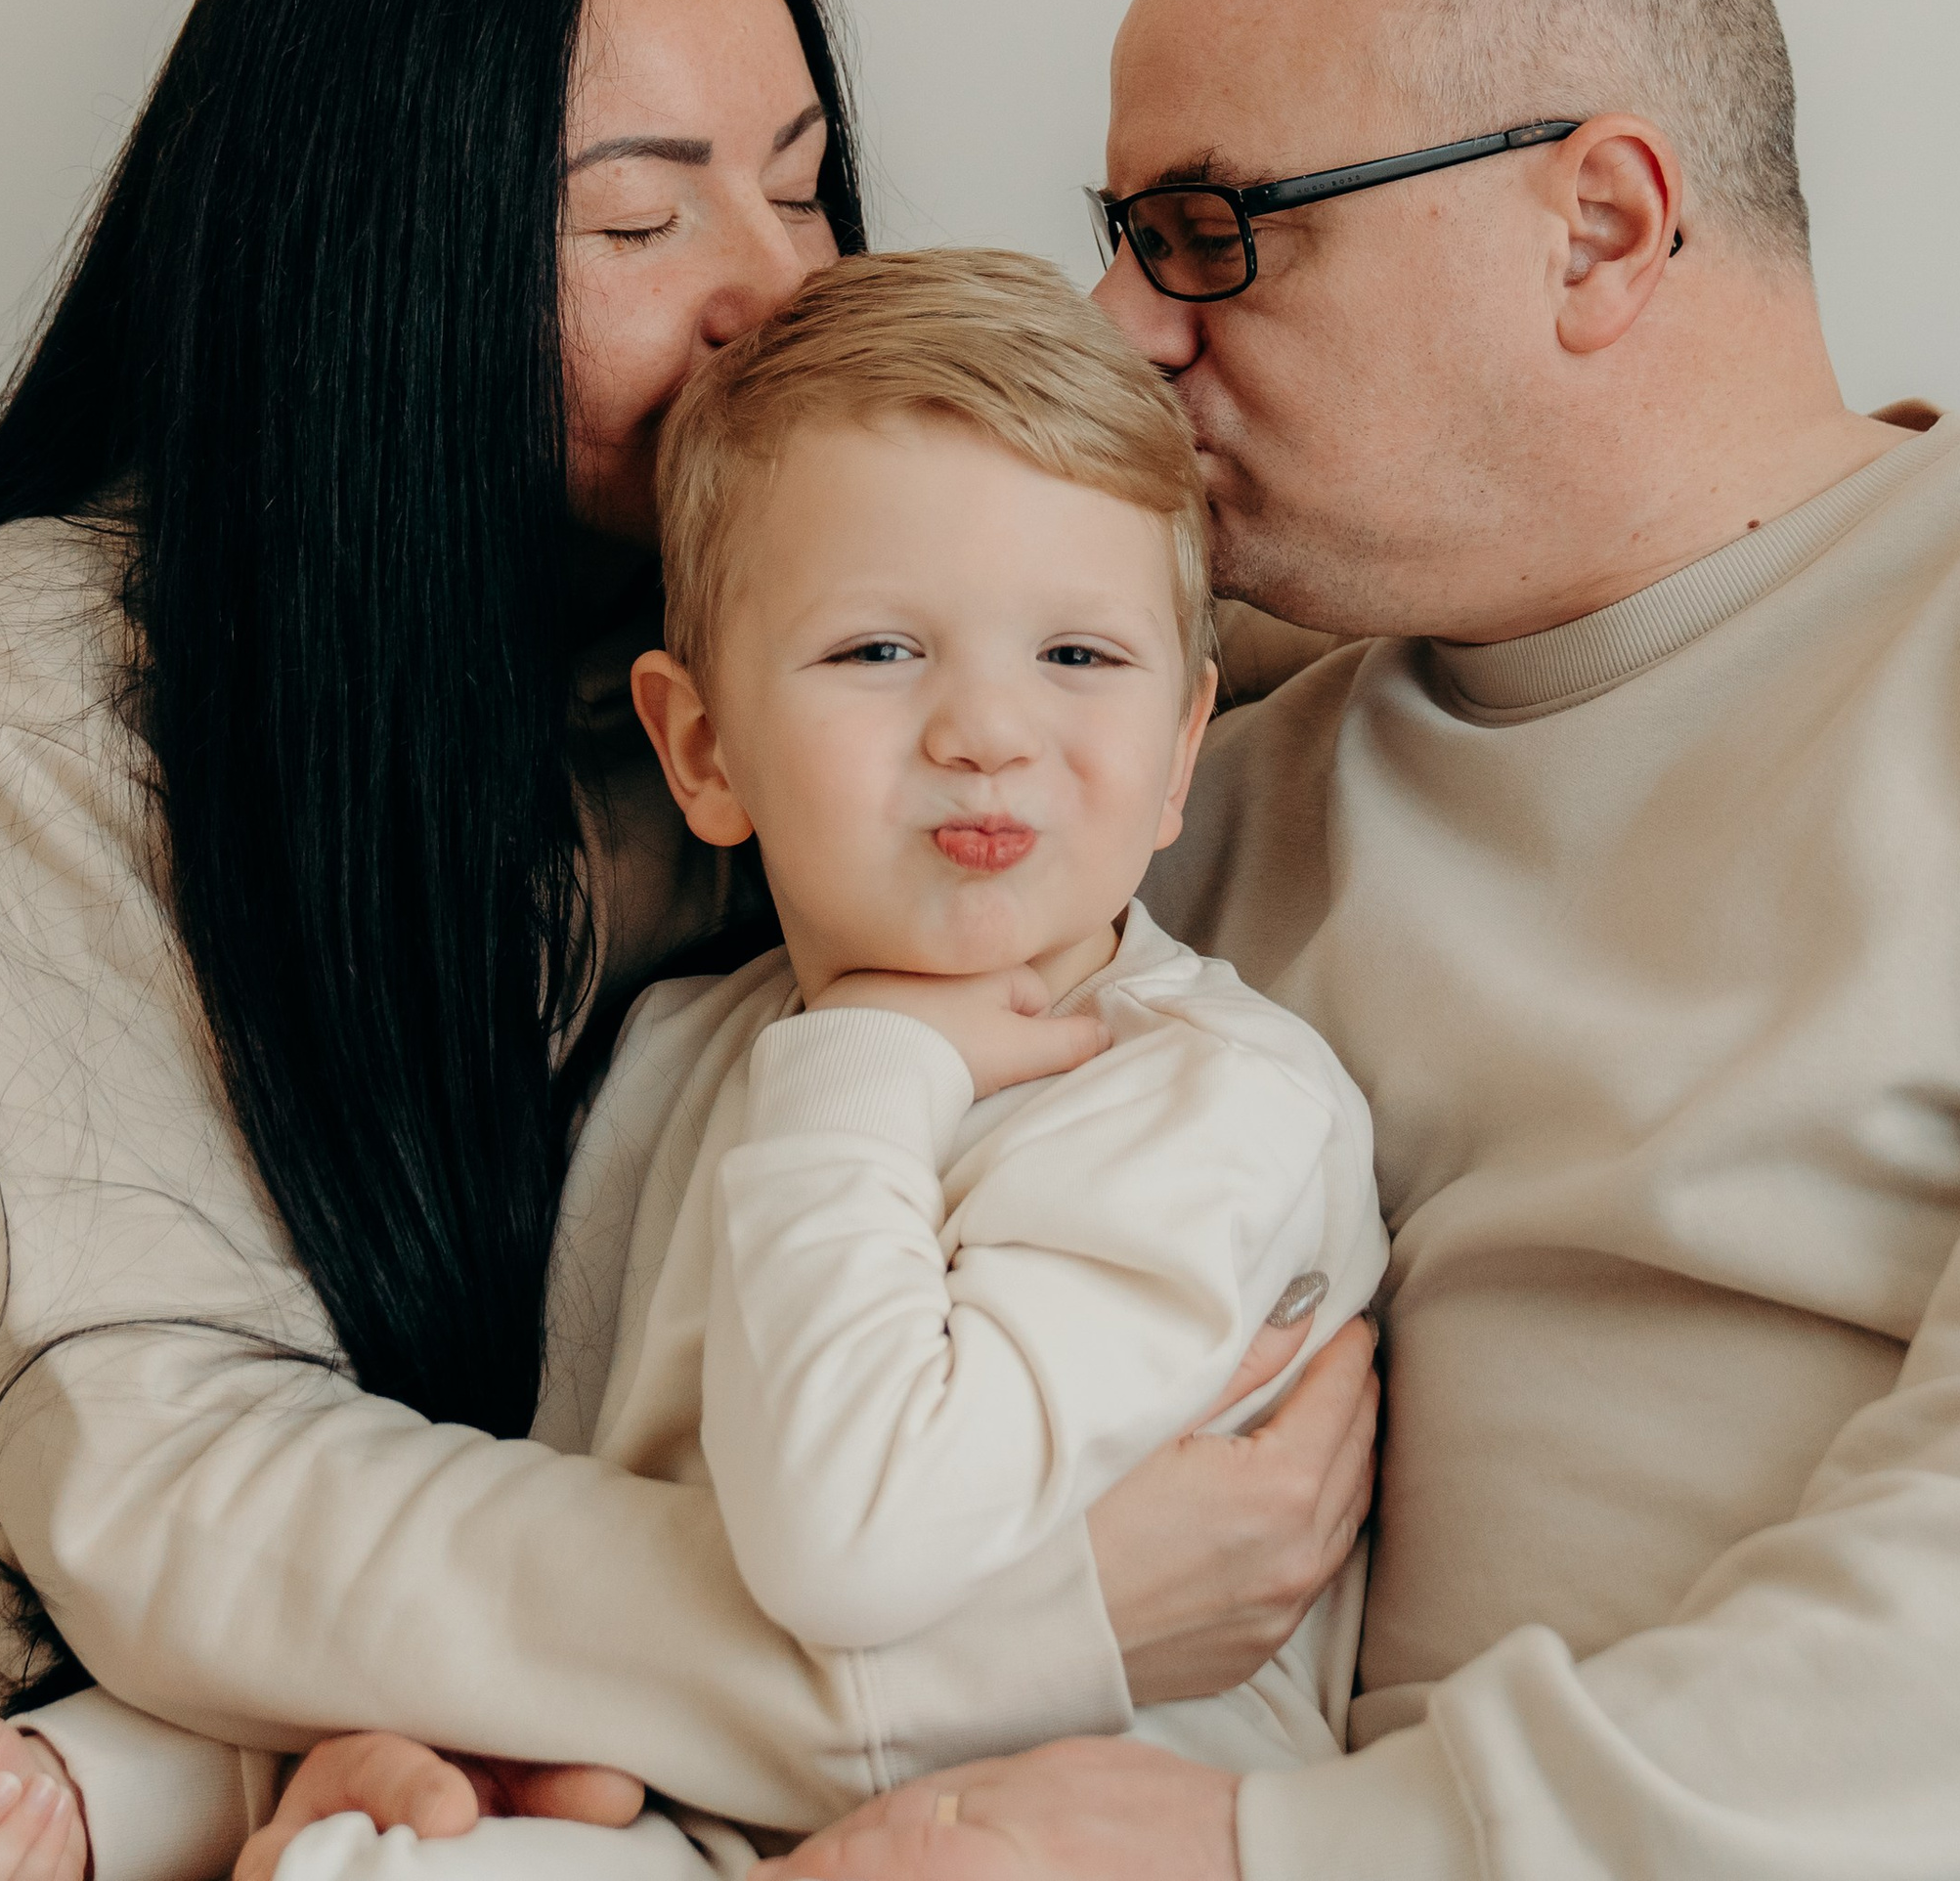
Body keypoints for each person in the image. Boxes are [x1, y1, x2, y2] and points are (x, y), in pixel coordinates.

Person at [0, 0, 1369, 1881]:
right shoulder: (73, 673)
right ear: (386, 266)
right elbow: (168, 1488)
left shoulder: (825, 676)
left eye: (797, 189)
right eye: (638, 220)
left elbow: (1191, 621)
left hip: (332, 1731)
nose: (765, 292)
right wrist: (1006, 1638)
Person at [756, 0, 1960, 1877]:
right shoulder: (1154, 794)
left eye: (1206, 228)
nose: (1117, 323)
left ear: (1598, 228)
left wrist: (1306, 1849)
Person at [254, 247, 1387, 1880]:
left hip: (1065, 1836)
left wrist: (863, 1071)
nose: (986, 730)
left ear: (1179, 753)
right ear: (702, 749)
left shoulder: (1210, 1106)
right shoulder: (686, 1055)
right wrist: (133, 1773)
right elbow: (543, 1539)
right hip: (724, 1797)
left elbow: (857, 1544)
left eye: (1078, 656)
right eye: (879, 653)